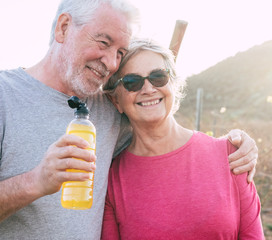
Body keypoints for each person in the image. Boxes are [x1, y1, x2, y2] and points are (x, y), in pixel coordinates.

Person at [0, 0, 258, 239]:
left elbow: (159, 126)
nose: (111, 63)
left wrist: (237, 143)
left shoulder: (106, 107)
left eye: (120, 52)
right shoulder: (4, 95)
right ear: (64, 27)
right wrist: (34, 182)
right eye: (103, 42)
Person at [101, 38, 264, 239]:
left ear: (173, 85)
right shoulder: (112, 181)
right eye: (132, 82)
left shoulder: (232, 155)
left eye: (158, 76)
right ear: (115, 100)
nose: (149, 89)